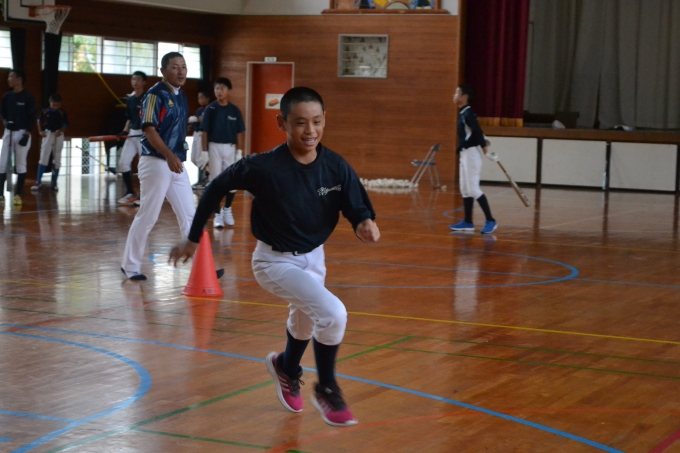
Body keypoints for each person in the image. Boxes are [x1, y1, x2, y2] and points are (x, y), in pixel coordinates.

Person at [170, 87, 380, 427]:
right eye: (300, 123)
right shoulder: (263, 167)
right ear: (282, 123)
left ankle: (286, 366)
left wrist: (363, 222)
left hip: (314, 257)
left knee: (306, 318)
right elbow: (216, 187)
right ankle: (326, 388)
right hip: (274, 262)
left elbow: (355, 204)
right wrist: (193, 237)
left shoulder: (335, 166)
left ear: (325, 120)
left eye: (316, 121)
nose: (310, 130)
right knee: (333, 314)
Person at [120, 53, 193, 281]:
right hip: (156, 163)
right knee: (148, 216)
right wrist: (169, 155)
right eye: (175, 67)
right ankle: (130, 265)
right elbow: (149, 129)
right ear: (163, 71)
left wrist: (176, 154)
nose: (181, 71)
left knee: (190, 216)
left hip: (176, 163)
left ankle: (202, 266)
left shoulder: (181, 96)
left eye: (183, 67)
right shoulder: (154, 95)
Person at [449, 84, 498, 234]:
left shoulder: (468, 113)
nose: (454, 95)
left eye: (457, 93)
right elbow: (477, 131)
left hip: (471, 155)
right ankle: (468, 222)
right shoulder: (464, 113)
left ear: (464, 97)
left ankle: (491, 220)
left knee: (473, 189)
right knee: (465, 190)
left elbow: (476, 131)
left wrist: (486, 152)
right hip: (464, 154)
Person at [200, 77, 245, 228]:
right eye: (216, 89)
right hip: (214, 147)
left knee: (232, 180)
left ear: (228, 91)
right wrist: (204, 152)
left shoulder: (235, 110)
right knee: (215, 181)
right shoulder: (210, 109)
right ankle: (217, 214)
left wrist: (239, 151)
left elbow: (239, 132)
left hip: (230, 148)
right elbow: (204, 131)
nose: (219, 91)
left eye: (222, 88)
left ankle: (227, 209)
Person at [0, 69, 37, 206]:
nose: (8, 79)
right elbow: (2, 112)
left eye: (11, 77)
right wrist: (5, 122)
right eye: (8, 77)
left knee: (20, 164)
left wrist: (27, 134)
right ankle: (0, 194)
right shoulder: (7, 96)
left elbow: (32, 116)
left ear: (20, 79)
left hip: (22, 133)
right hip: (8, 132)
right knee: (2, 163)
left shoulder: (28, 97)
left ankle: (18, 194)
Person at [117, 71, 148, 205]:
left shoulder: (147, 98)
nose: (135, 82)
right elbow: (129, 118)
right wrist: (124, 130)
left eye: (138, 79)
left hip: (144, 134)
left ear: (144, 82)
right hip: (132, 133)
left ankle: (144, 196)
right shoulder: (130, 99)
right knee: (123, 163)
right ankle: (130, 192)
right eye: (133, 79)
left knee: (144, 166)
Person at [32, 93, 68, 192]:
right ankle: (38, 182)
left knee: (57, 158)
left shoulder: (62, 112)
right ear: (50, 103)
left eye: (57, 105)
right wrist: (40, 131)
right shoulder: (45, 111)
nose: (55, 107)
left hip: (58, 135)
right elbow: (39, 120)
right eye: (53, 105)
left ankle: (54, 182)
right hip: (47, 134)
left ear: (60, 104)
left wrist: (60, 131)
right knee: (43, 157)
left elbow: (65, 124)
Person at [189, 89, 211, 190]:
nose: (200, 100)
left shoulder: (209, 109)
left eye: (202, 97)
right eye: (199, 98)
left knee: (200, 158)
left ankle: (202, 180)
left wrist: (196, 119)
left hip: (203, 134)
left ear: (207, 99)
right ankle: (205, 177)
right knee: (194, 158)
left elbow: (205, 120)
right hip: (196, 134)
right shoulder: (199, 110)